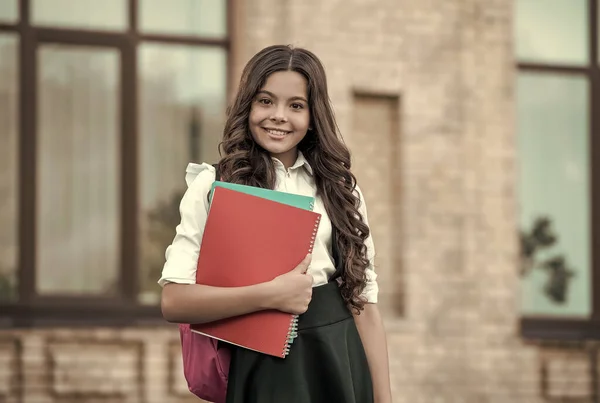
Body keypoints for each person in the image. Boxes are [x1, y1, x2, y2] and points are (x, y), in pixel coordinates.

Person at [159, 44, 392, 403]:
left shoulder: (340, 189)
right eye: (265, 101)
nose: (278, 116)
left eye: (295, 105)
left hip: (339, 360)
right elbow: (174, 301)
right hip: (261, 366)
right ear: (247, 104)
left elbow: (364, 304)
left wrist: (384, 398)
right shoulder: (214, 185)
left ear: (313, 115)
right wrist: (270, 296)